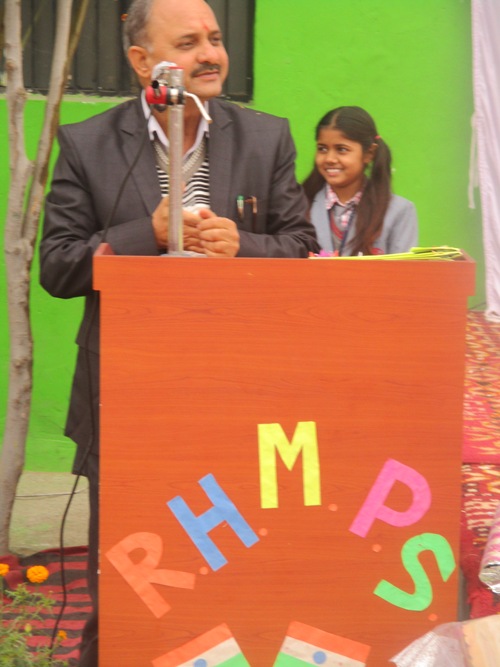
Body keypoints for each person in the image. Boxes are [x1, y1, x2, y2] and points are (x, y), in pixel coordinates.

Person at [39, 1, 318, 664]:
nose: (211, 54)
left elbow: (303, 248)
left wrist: (246, 247)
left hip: (240, 398)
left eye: (215, 39)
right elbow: (58, 265)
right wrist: (148, 234)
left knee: (232, 567)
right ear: (143, 62)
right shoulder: (88, 144)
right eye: (188, 42)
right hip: (127, 399)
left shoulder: (267, 138)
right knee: (128, 583)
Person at [302, 106, 418, 256]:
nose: (330, 159)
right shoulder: (298, 205)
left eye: (342, 149)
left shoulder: (399, 212)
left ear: (369, 153)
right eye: (322, 149)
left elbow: (405, 269)